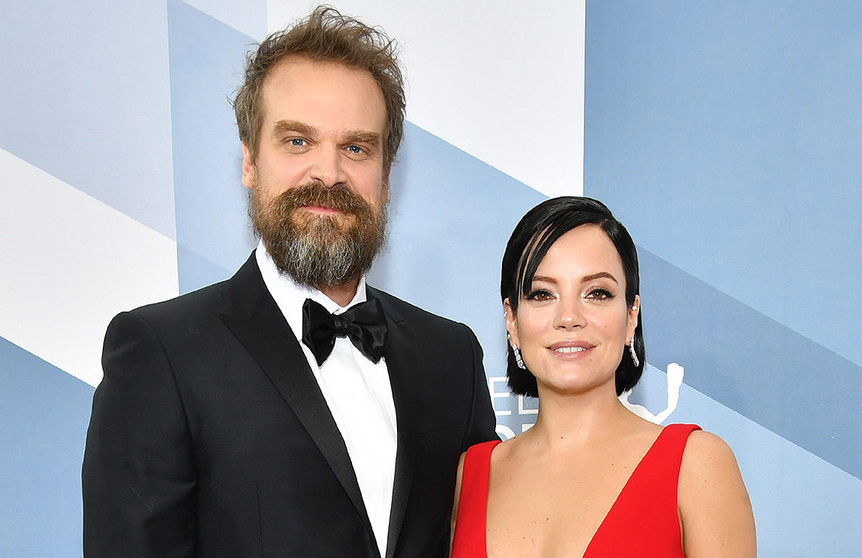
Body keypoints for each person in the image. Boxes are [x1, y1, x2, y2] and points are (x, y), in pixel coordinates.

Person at [82, 6, 497, 558]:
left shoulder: (452, 356)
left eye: (356, 147)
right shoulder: (162, 353)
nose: (328, 173)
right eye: (298, 141)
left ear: (385, 178)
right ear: (250, 162)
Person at [450, 197, 755, 557]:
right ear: (512, 321)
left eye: (597, 293)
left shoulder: (696, 465)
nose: (569, 317)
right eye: (542, 294)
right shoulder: (469, 477)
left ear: (631, 316)